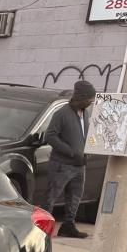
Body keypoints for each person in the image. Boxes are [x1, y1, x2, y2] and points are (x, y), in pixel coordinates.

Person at [41, 79, 96, 238]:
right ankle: (43, 230)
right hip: (62, 164)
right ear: (80, 97)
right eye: (89, 100)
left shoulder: (85, 113)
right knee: (51, 197)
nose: (91, 103)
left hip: (80, 165)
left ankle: (68, 226)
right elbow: (50, 136)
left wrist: (87, 150)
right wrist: (70, 151)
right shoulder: (62, 114)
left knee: (75, 197)